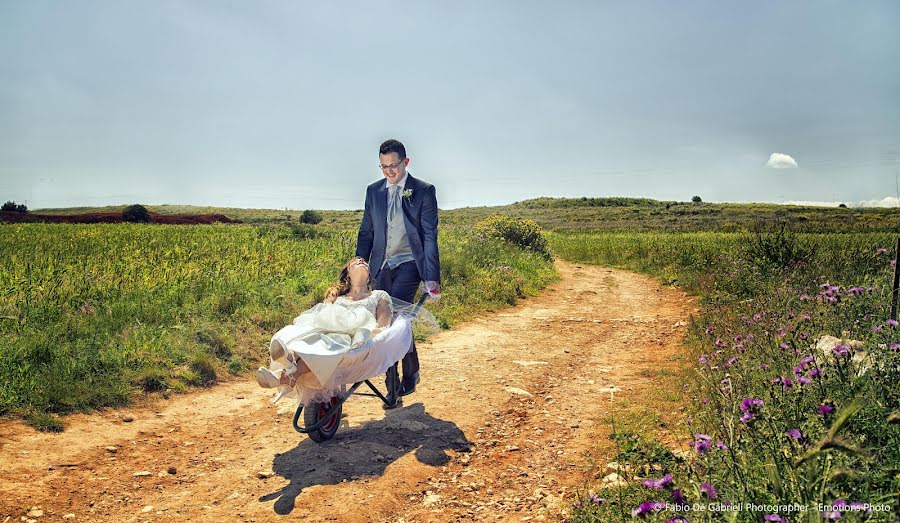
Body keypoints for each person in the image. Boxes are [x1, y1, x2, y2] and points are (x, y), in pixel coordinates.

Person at [356, 138, 441, 408]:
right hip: (382, 264)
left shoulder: (423, 191)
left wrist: (431, 276)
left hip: (409, 264)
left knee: (393, 317)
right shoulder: (373, 191)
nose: (389, 172)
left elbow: (429, 236)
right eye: (384, 167)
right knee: (388, 318)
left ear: (406, 162)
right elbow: (367, 230)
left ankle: (392, 386)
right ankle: (411, 369)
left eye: (393, 165)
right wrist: (360, 264)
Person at [256, 256, 409, 404]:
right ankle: (288, 363)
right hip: (327, 333)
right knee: (311, 336)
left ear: (369, 276)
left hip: (353, 336)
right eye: (355, 262)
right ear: (348, 274)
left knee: (332, 344)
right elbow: (321, 318)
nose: (361, 261)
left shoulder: (378, 295)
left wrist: (365, 334)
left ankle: (286, 368)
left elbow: (383, 327)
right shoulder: (337, 297)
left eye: (364, 262)